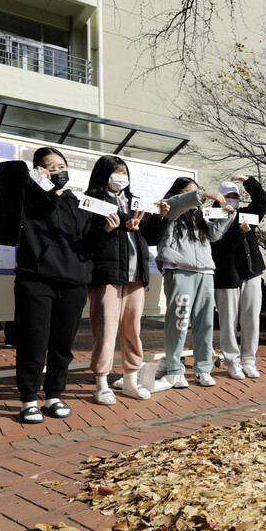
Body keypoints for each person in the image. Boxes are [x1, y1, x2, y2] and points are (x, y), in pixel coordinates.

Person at [7, 147, 111, 423]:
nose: (57, 169)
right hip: (36, 280)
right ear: (38, 170)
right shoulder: (29, 196)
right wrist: (40, 185)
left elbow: (88, 244)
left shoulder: (78, 203)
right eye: (49, 166)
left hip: (74, 282)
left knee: (62, 344)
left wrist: (107, 231)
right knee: (33, 342)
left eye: (61, 165)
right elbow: (35, 211)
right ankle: (29, 399)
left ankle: (54, 395)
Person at [85, 155, 168, 405]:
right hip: (106, 276)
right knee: (106, 329)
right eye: (115, 172)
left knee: (133, 329)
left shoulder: (134, 201)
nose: (121, 176)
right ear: (103, 174)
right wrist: (108, 229)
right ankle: (102, 383)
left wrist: (160, 219)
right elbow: (84, 240)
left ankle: (131, 380)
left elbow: (149, 237)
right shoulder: (91, 200)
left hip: (135, 277)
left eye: (124, 172)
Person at [154, 177, 235, 388]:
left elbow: (214, 235)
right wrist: (204, 194)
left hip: (206, 272)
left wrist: (227, 215)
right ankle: (175, 369)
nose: (196, 196)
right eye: (191, 192)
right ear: (179, 193)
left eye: (196, 192)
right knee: (179, 322)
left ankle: (203, 369)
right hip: (179, 269)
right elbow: (180, 203)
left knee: (205, 323)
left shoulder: (199, 216)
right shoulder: (169, 206)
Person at [212, 175, 266, 380]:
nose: (233, 198)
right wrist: (239, 233)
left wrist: (249, 181)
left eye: (236, 195)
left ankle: (249, 361)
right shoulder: (212, 217)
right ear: (219, 196)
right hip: (226, 276)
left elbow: (262, 202)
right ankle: (232, 363)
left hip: (251, 273)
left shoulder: (246, 214)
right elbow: (218, 249)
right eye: (228, 195)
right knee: (228, 321)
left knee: (251, 319)